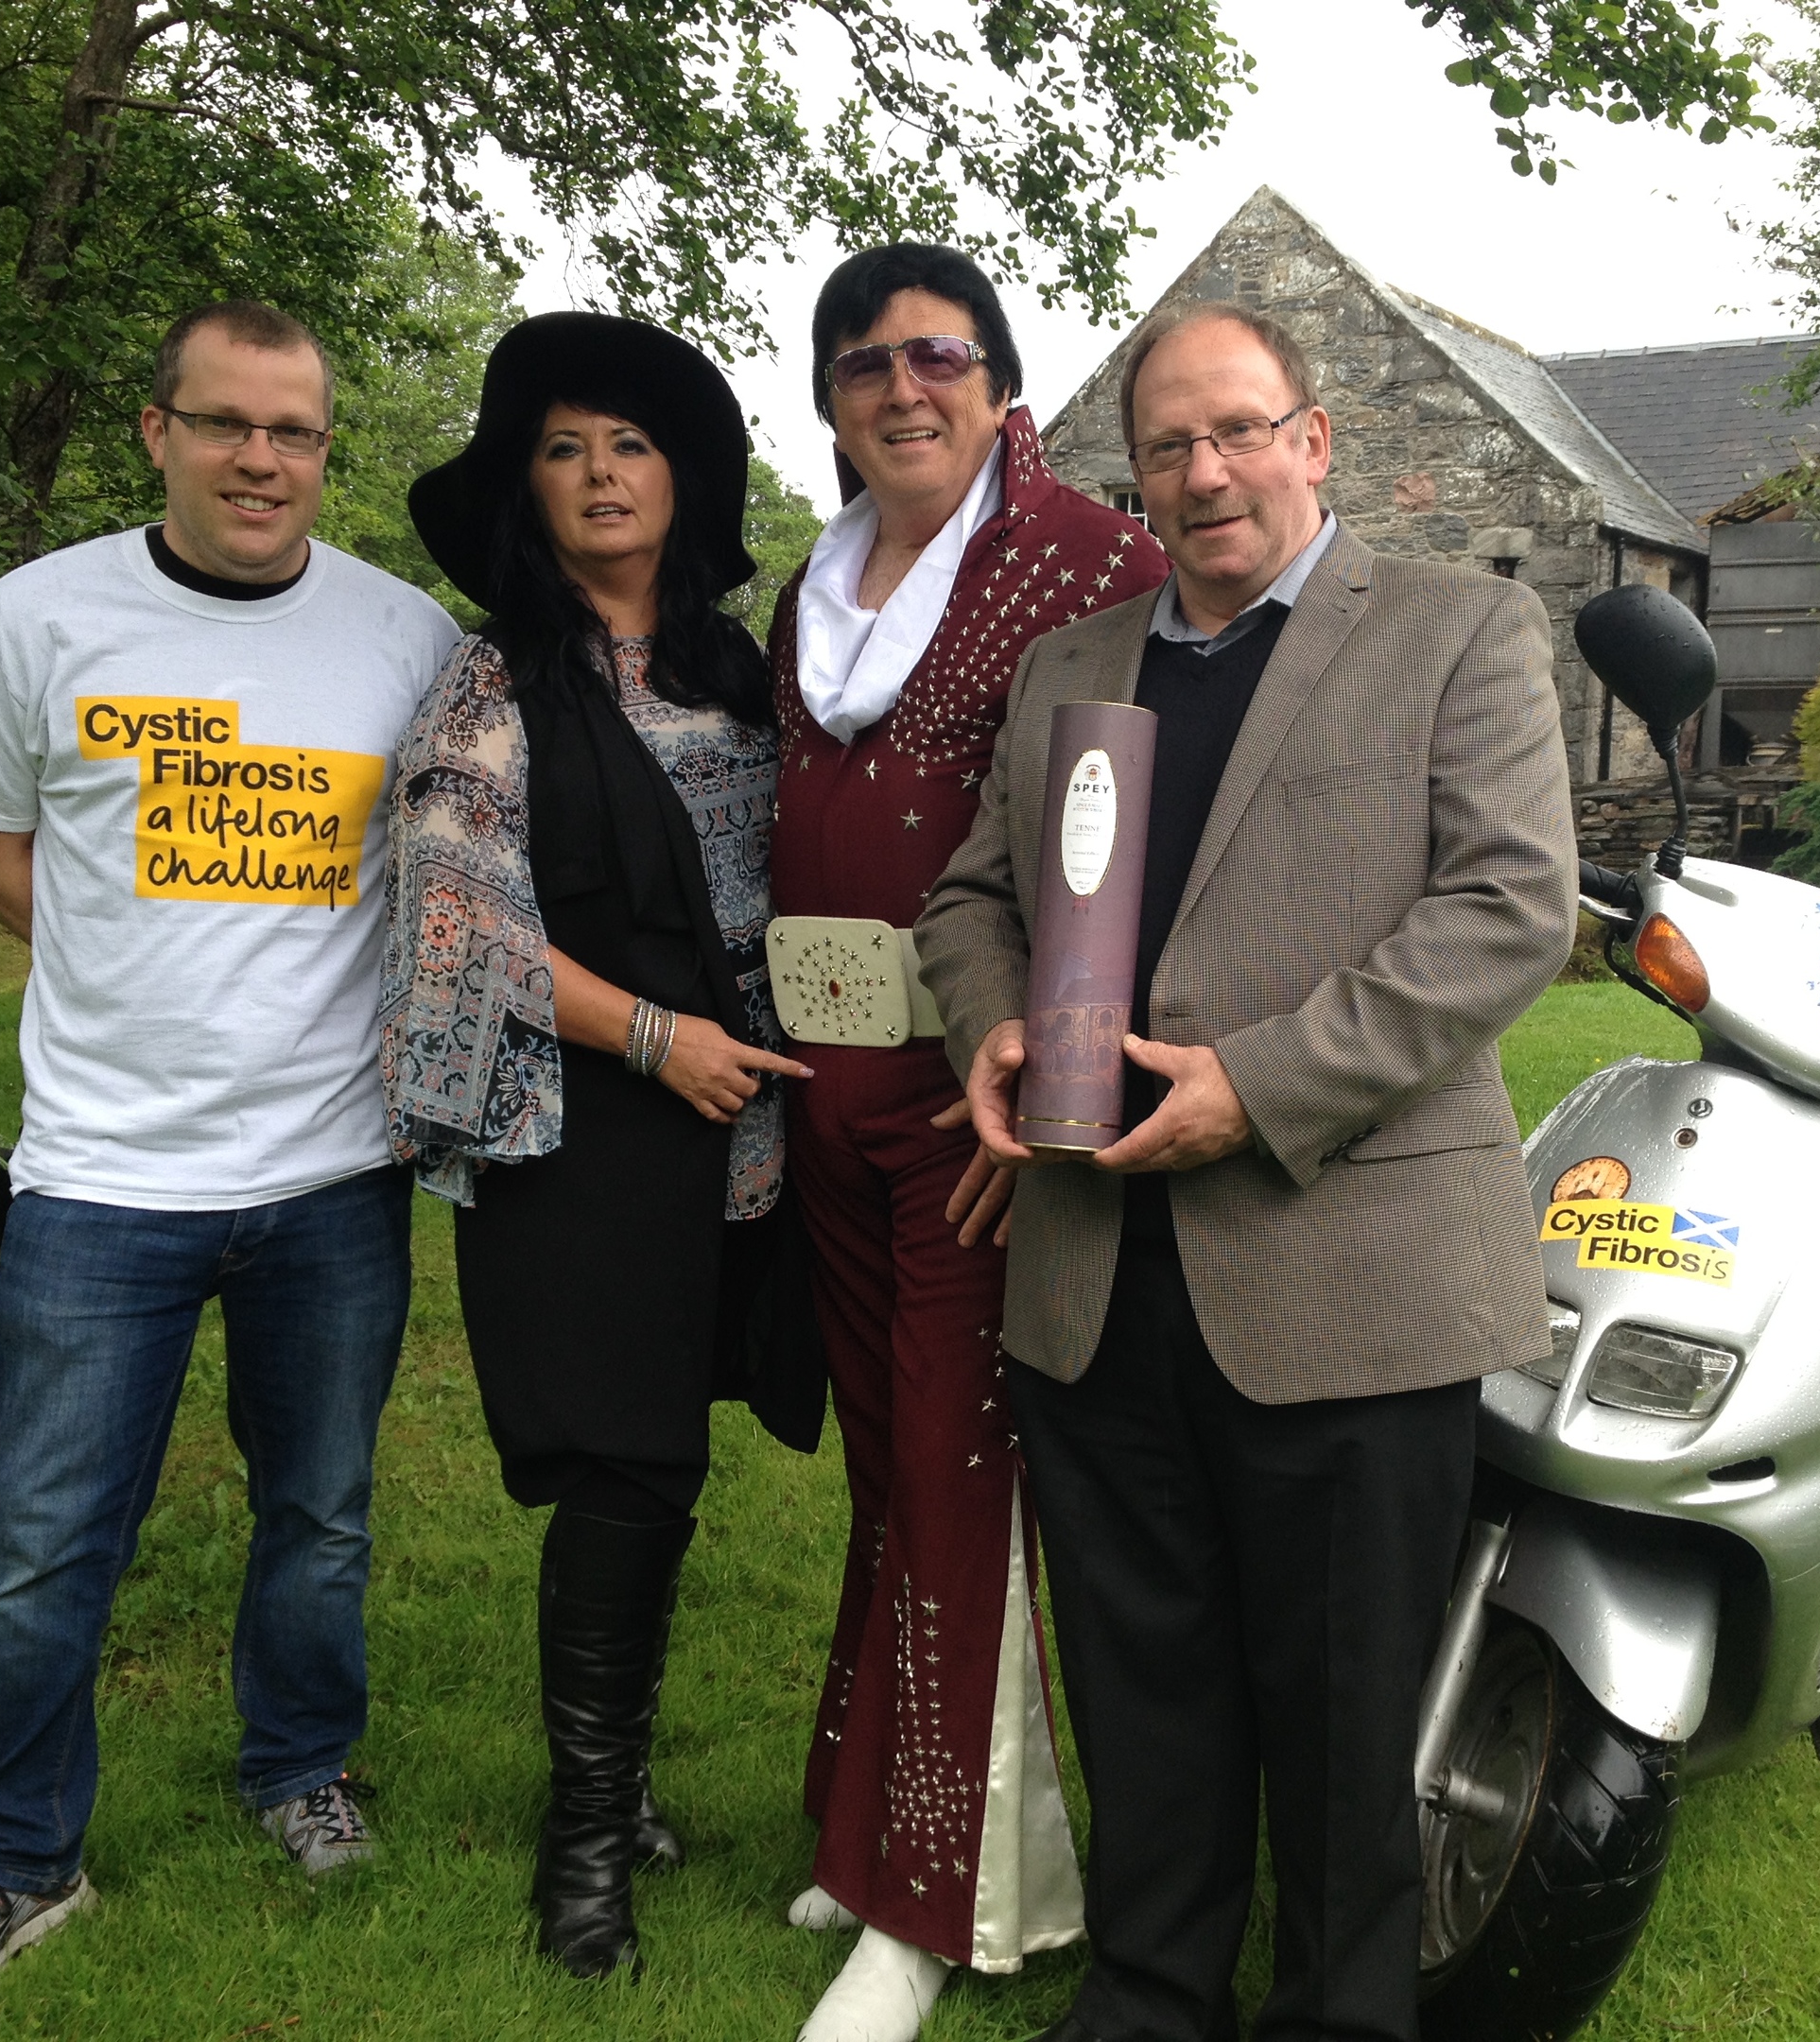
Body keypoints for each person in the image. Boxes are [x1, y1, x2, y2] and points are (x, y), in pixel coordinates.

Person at [915, 302, 1577, 2042]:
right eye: (1167, 446)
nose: (1205, 475)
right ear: (1130, 473)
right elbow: (973, 900)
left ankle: (1344, 2015)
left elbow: (1509, 911)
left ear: (1313, 438)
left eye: (1237, 432)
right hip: (1093, 1263)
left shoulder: (1460, 629)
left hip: (1343, 1263)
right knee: (1144, 1680)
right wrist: (989, 1023)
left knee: (1347, 1704)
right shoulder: (1075, 662)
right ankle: (1150, 1995)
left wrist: (1258, 1089)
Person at [0, 302, 463, 1997]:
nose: (261, 460)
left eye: (294, 432)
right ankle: (11, 1859)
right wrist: (133, 962)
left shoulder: (401, 635)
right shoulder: (42, 615)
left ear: (324, 450)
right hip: (100, 1177)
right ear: (158, 432)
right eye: (225, 425)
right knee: (45, 1534)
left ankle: (299, 1773)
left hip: (332, 1171)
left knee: (322, 1514)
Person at [383, 312, 824, 1981]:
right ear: (529, 493)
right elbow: (458, 917)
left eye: (628, 445)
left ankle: (622, 1784)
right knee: (623, 1473)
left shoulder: (740, 671)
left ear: (678, 480)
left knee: (675, 1464)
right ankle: (586, 1848)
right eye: (564, 451)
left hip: (744, 1134)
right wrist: (657, 1036)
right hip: (583, 1135)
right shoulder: (493, 684)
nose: (599, 474)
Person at [762, 245, 1167, 2042]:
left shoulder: (1094, 559)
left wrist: (1061, 1090)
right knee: (886, 1474)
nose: (899, 389)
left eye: (938, 356)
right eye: (864, 365)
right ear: (833, 403)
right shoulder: (816, 585)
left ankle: (938, 1907)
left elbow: (1130, 843)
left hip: (982, 1108)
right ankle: (870, 1833)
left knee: (957, 1474)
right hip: (827, 1090)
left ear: (1004, 385)